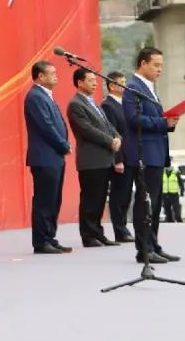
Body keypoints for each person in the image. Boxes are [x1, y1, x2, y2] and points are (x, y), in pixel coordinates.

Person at [122, 47, 180, 265]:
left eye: (161, 65)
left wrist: (169, 123)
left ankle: (154, 245)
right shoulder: (132, 87)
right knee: (145, 203)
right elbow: (133, 119)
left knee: (155, 204)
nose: (159, 69)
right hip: (144, 153)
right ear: (143, 63)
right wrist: (162, 122)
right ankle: (144, 250)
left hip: (156, 152)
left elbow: (152, 118)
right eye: (156, 65)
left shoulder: (149, 88)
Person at [66, 68, 122, 248]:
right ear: (80, 82)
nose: (95, 83)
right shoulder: (76, 104)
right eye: (90, 80)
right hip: (91, 160)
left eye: (95, 80)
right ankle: (88, 235)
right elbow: (87, 129)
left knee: (99, 199)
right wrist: (110, 141)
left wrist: (117, 137)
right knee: (90, 199)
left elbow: (108, 126)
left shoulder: (94, 103)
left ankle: (98, 233)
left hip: (104, 159)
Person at [24, 61, 72, 255]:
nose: (56, 75)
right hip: (44, 156)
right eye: (51, 73)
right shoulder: (35, 96)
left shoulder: (46, 95)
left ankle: (50, 237)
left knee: (54, 199)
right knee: (44, 200)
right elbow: (46, 126)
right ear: (40, 76)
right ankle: (41, 241)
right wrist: (63, 144)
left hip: (54, 156)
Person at [102, 72, 133, 242]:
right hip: (120, 157)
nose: (125, 86)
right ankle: (120, 230)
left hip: (131, 155)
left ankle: (124, 228)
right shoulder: (108, 105)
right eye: (122, 83)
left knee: (126, 194)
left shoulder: (125, 104)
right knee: (118, 195)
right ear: (112, 86)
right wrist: (118, 159)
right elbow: (112, 134)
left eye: (125, 82)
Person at [161, 158, 185, 223]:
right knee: (167, 213)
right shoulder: (162, 172)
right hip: (165, 195)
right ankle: (170, 225)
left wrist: (182, 192)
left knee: (177, 213)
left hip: (174, 195)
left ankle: (180, 224)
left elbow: (181, 183)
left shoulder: (176, 172)